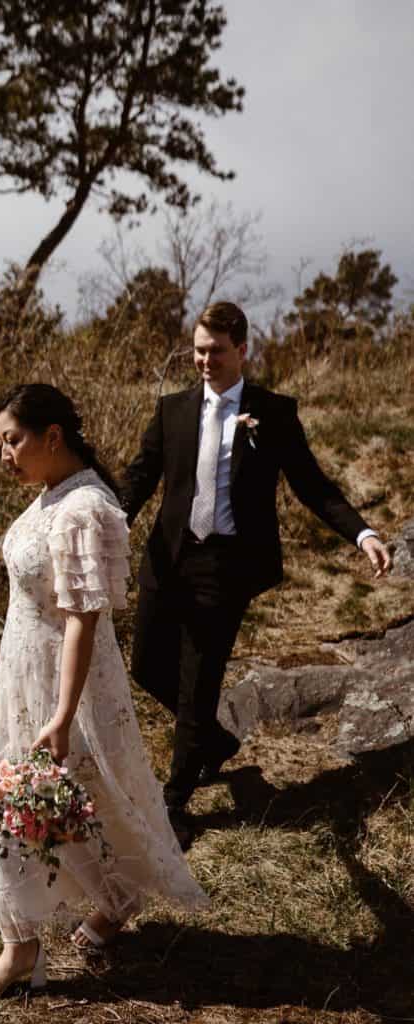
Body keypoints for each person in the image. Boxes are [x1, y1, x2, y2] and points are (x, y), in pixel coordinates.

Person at [0, 383, 209, 1003]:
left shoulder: (83, 509)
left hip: (61, 679)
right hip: (22, 669)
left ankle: (21, 951)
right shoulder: (54, 494)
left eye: (12, 440)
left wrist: (64, 713)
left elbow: (84, 617)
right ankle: (113, 902)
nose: (5, 455)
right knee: (81, 798)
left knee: (10, 799)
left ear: (52, 436)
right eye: (0, 442)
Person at [121, 301, 391, 845]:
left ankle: (175, 803)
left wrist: (363, 534)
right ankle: (213, 742)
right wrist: (100, 522)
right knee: (148, 665)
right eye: (197, 349)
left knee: (199, 681)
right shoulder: (171, 410)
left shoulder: (274, 413)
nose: (204, 360)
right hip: (167, 559)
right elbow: (139, 478)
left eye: (216, 350)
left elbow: (313, 486)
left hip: (225, 566)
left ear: (243, 350)